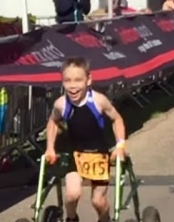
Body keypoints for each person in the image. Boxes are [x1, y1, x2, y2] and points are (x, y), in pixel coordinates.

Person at [44, 57, 126, 222]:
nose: (72, 86)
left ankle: (105, 219)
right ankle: (72, 219)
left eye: (78, 80)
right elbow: (53, 121)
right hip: (75, 153)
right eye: (67, 81)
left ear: (88, 80)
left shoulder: (98, 100)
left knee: (98, 201)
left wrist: (120, 145)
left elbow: (116, 119)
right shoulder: (61, 104)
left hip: (99, 155)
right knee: (72, 195)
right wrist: (50, 148)